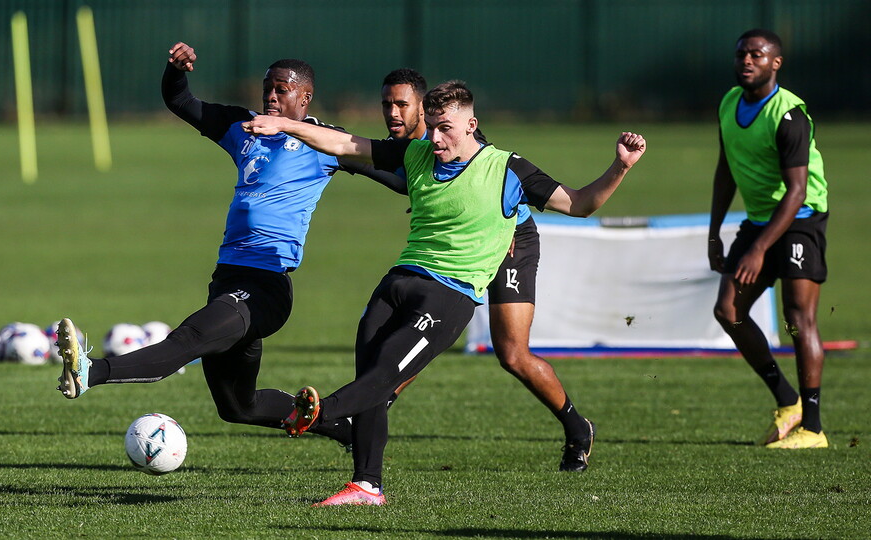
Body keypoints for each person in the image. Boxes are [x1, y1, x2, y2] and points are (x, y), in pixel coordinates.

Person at [245, 80, 646, 505]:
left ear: (471, 125)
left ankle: (576, 427)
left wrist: (620, 166)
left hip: (505, 247)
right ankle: (364, 478)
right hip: (412, 273)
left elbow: (581, 204)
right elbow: (345, 144)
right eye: (430, 126)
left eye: (444, 128)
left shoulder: (506, 169)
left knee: (511, 354)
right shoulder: (417, 152)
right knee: (381, 368)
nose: (434, 137)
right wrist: (285, 125)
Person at [54, 42, 387, 446]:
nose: (271, 96)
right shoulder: (243, 127)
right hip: (227, 278)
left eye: (281, 90)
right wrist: (177, 70)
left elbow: (395, 171)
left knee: (189, 339)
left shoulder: (327, 141)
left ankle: (91, 372)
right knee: (237, 406)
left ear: (305, 97)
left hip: (266, 286)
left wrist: (426, 189)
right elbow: (181, 101)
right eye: (267, 89)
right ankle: (343, 428)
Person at [375, 68, 597, 472]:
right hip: (458, 249)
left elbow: (491, 178)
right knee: (419, 335)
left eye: (402, 105)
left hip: (511, 241)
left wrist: (499, 227)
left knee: (512, 354)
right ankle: (369, 410)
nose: (393, 113)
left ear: (422, 109)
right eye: (387, 104)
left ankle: (577, 427)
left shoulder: (448, 133)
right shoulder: (409, 148)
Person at [709, 29, 830, 449]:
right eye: (741, 54)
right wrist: (714, 232)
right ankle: (787, 400)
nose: (747, 61)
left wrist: (759, 250)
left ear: (775, 63)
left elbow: (796, 191)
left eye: (757, 55)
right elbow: (726, 169)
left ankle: (813, 428)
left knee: (798, 318)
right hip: (759, 220)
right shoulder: (729, 103)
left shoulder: (788, 115)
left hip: (801, 218)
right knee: (728, 310)